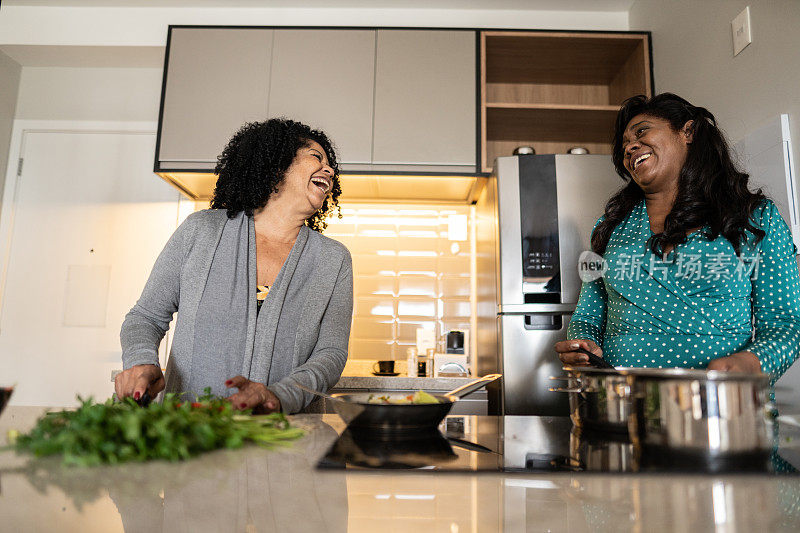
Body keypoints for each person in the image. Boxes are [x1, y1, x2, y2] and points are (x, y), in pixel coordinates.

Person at [555, 93, 800, 383]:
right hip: (625, 406)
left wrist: (751, 363)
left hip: (723, 409)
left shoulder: (755, 217)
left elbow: (785, 322)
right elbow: (587, 318)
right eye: (624, 145)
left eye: (642, 131)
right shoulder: (611, 226)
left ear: (688, 132)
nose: (630, 146)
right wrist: (583, 345)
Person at [115, 118, 353, 414]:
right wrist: (142, 362)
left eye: (331, 164)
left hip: (285, 434)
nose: (329, 169)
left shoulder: (333, 259)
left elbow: (330, 354)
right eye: (316, 157)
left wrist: (277, 397)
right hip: (190, 428)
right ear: (277, 166)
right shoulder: (201, 232)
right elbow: (146, 317)